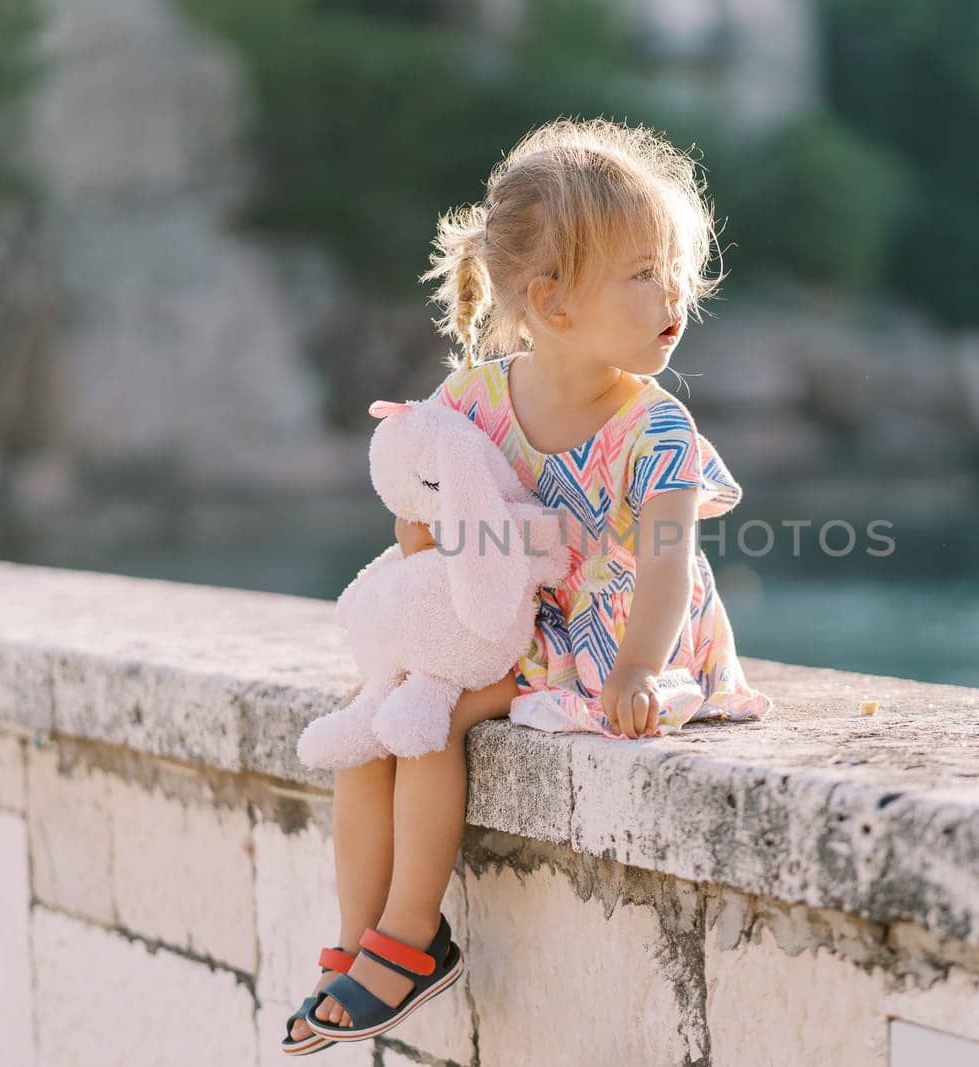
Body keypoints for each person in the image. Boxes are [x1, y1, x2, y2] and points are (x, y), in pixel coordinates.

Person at [283, 116, 773, 1054]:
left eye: (671, 267)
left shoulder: (656, 430)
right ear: (551, 304)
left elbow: (668, 563)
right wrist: (421, 578)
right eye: (640, 273)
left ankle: (412, 939)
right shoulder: (472, 401)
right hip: (508, 624)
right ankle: (354, 940)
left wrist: (635, 668)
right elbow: (418, 513)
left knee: (430, 717)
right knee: (371, 713)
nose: (671, 292)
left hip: (612, 640)